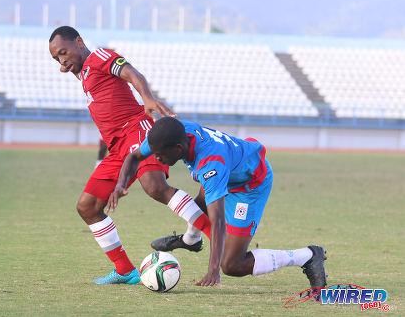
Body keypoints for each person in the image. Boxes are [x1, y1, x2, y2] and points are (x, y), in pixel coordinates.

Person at [49, 26, 212, 285]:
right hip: (117, 149)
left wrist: (147, 98)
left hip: (136, 129)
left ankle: (216, 236)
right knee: (88, 207)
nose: (61, 60)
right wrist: (72, 67)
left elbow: (131, 73)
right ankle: (125, 271)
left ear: (79, 42)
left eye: (63, 52)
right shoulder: (85, 74)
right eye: (56, 58)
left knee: (155, 186)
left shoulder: (99, 56)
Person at [108, 117, 327, 288]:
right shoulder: (173, 130)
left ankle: (307, 256)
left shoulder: (210, 164)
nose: (156, 159)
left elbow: (218, 221)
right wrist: (120, 184)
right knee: (200, 203)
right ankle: (190, 239)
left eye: (159, 155)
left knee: (231, 264)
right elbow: (134, 157)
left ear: (178, 149)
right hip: (228, 171)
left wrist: (214, 269)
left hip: (250, 186)